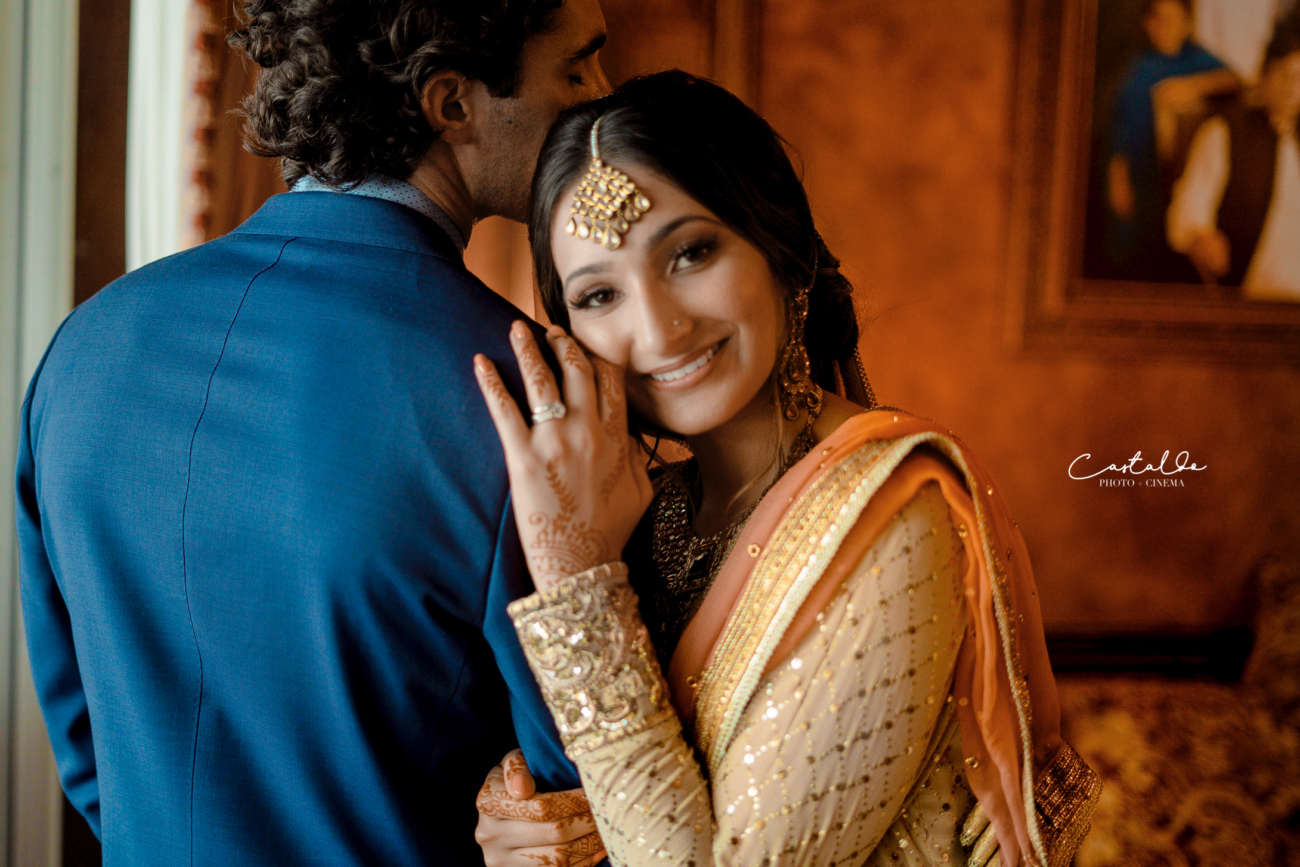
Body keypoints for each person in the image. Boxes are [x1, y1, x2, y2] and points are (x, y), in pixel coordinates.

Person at [15, 1, 609, 863]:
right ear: (451, 103)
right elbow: (574, 800)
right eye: (579, 67)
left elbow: (87, 746)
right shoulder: (521, 394)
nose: (602, 97)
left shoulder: (84, 345)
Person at [472, 71, 1100, 867]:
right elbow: (639, 803)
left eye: (691, 252)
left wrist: (574, 581)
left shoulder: (894, 513)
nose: (659, 328)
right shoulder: (650, 515)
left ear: (783, 250)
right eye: (599, 296)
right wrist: (537, 826)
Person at [1167, 15, 1300, 299]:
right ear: (1262, 76)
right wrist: (1200, 238)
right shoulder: (1225, 131)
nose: (1293, 87)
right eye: (1285, 75)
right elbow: (1188, 209)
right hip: (1255, 293)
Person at [1104, 0, 1239, 279]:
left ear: (1186, 24)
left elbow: (1234, 80)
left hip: (1180, 177)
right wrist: (1117, 178)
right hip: (1142, 174)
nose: (1162, 27)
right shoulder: (1139, 66)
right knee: (1131, 246)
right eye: (1156, 20)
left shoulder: (1196, 59)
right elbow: (1120, 131)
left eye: (1171, 20)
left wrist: (1189, 86)